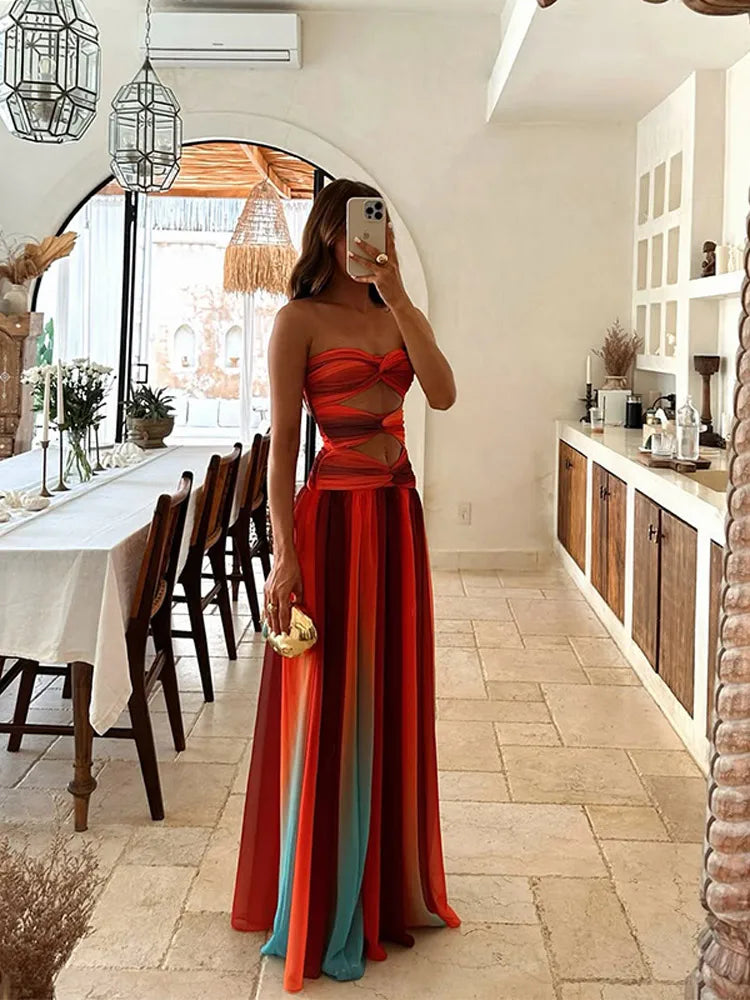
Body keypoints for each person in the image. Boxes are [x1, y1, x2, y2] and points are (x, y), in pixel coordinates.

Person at [231, 178, 459, 993]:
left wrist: (398, 295)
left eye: (384, 225)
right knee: (330, 702)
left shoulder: (396, 311)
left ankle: (387, 884)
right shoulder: (297, 321)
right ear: (330, 233)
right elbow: (281, 448)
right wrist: (283, 555)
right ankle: (327, 890)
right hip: (330, 522)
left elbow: (442, 393)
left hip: (397, 520)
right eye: (364, 224)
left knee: (388, 694)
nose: (376, 236)